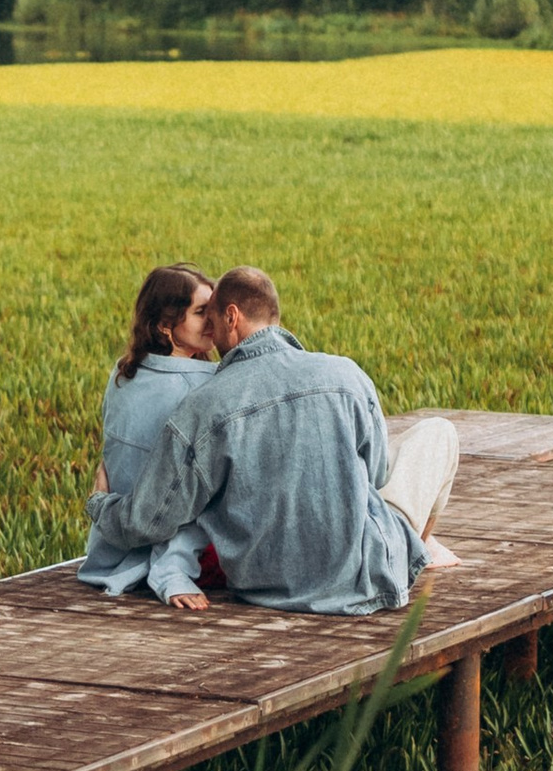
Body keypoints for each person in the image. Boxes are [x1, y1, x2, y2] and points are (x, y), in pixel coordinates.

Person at [83, 263, 461, 617]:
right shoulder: (346, 375)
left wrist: (101, 504)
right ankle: (417, 545)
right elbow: (376, 475)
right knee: (437, 432)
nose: (211, 333)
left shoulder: (203, 404)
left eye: (211, 317)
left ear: (231, 317)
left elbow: (150, 518)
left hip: (263, 585)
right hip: (366, 575)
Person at [77, 261, 222, 601]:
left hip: (109, 552)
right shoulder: (206, 385)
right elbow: (193, 496)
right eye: (202, 312)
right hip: (182, 553)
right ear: (165, 326)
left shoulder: (124, 373)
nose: (212, 322)